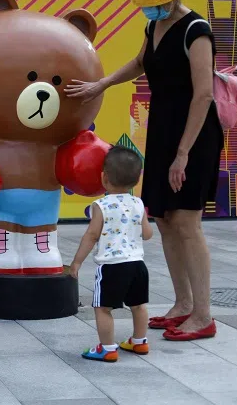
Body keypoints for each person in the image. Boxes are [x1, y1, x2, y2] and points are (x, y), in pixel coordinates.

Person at [66, 0, 222, 341]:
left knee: (187, 222)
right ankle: (182, 305)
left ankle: (203, 315)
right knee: (166, 220)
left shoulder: (196, 30)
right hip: (164, 130)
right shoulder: (154, 23)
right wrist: (101, 84)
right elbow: (140, 62)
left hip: (194, 134)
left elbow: (203, 95)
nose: (147, 6)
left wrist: (183, 153)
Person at [70, 146, 154, 362]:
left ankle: (107, 348)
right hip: (137, 264)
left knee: (103, 308)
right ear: (136, 180)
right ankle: (139, 341)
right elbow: (147, 234)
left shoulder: (101, 205)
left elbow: (92, 235)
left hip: (111, 266)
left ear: (104, 178)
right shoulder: (138, 203)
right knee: (138, 305)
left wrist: (77, 262)